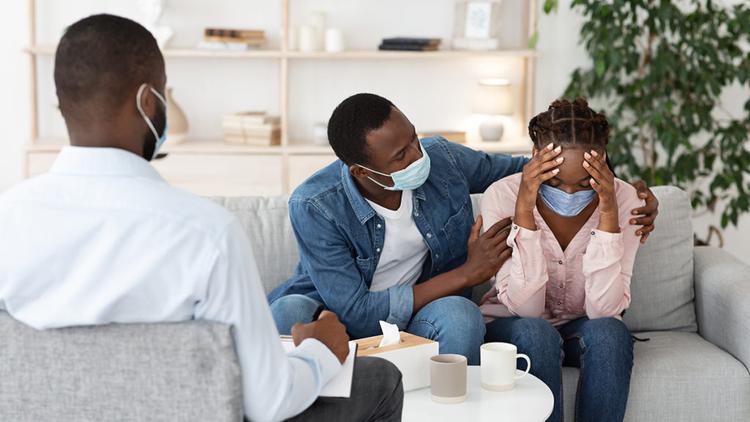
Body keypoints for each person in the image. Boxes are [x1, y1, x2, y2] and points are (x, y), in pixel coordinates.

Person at [0, 15, 402, 422]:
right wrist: (321, 349)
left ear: (63, 106)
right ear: (149, 103)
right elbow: (269, 401)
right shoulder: (206, 233)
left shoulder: (7, 218)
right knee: (380, 379)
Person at [268, 93, 659, 365]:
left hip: (423, 313)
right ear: (360, 171)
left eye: (414, 140)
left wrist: (621, 187)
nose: (418, 156)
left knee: (461, 316)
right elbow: (355, 311)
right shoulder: (315, 205)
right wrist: (468, 274)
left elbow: (540, 167)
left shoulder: (442, 158)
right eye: (401, 154)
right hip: (338, 317)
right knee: (287, 312)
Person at [480, 98, 643, 422]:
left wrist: (609, 212)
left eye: (584, 184)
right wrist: (524, 209)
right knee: (536, 332)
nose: (568, 192)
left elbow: (604, 311)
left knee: (611, 333)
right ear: (534, 160)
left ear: (603, 163)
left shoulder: (625, 200)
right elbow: (525, 309)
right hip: (514, 326)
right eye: (554, 181)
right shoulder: (502, 195)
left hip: (579, 327)